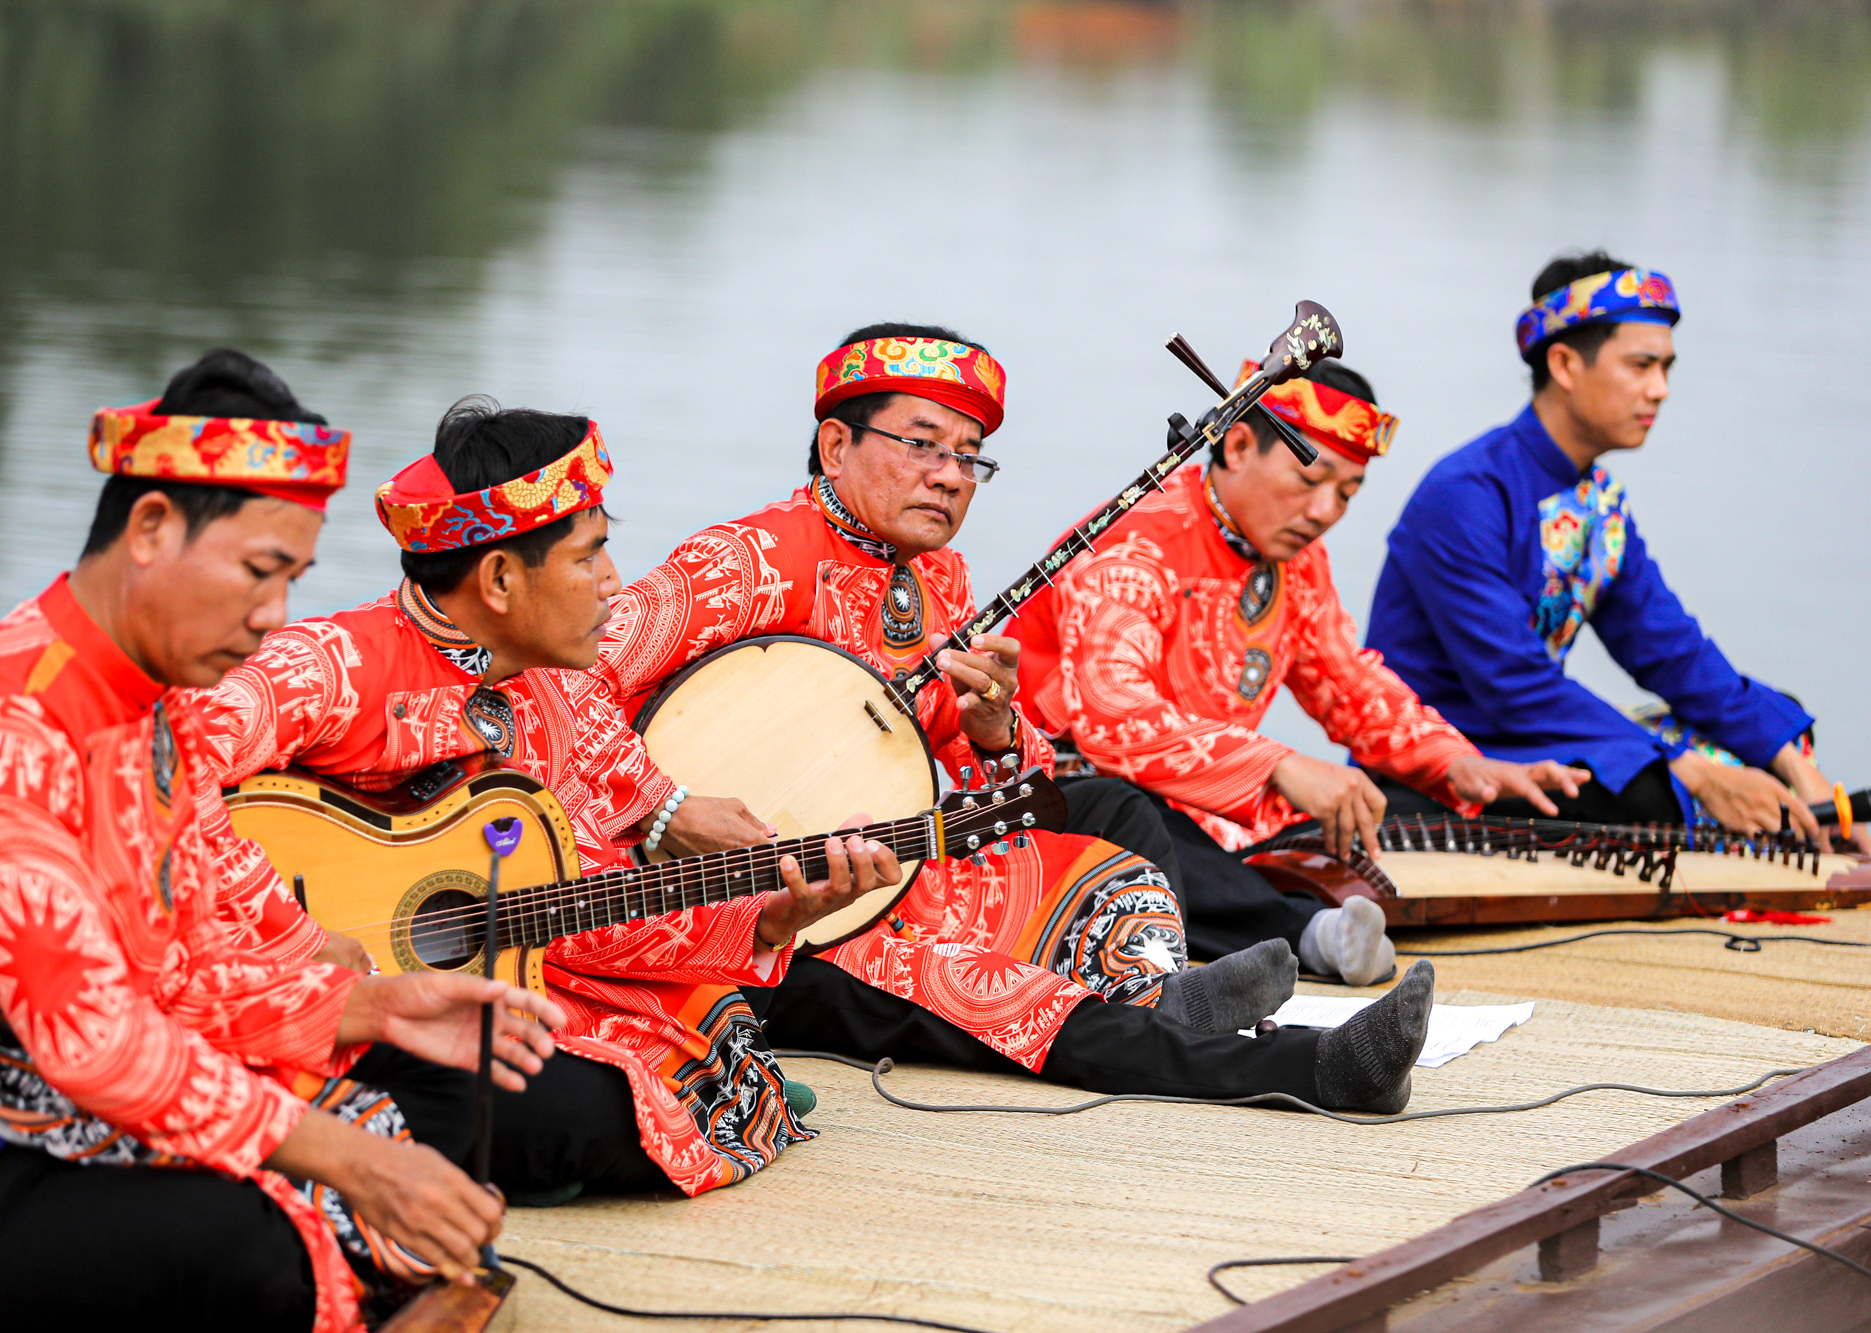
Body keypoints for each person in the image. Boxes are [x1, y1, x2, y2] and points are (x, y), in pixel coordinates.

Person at [0, 351, 565, 1333]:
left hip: (59, 1099)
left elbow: (180, 971)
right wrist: (339, 1154)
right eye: (256, 571)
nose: (271, 617)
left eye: (293, 579)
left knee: (413, 1115)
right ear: (151, 527)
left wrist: (367, 1006)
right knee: (260, 1247)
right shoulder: (1, 729)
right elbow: (93, 1035)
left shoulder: (154, 714)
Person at [595, 323, 1437, 1116]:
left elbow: (994, 782)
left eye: (969, 456)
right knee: (989, 991)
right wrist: (667, 809)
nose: (951, 474)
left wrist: (995, 730)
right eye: (922, 444)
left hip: (901, 871)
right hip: (762, 921)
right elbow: (566, 691)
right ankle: (1306, 1067)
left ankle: (1165, 997)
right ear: (836, 444)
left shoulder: (941, 581)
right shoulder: (750, 559)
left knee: (1114, 882)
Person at [193, 397, 901, 1205]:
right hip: (279, 989)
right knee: (592, 1112)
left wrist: (774, 917)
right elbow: (161, 767)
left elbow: (589, 897)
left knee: (708, 1034)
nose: (612, 582)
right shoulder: (334, 665)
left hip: (489, 970)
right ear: (498, 578)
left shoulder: (557, 686)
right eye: (589, 556)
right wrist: (296, 934)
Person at [1014, 359, 1584, 985]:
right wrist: (1279, 764)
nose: (1323, 510)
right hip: (1062, 786)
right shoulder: (1137, 540)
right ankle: (1303, 932)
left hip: (1211, 798)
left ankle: (1302, 914)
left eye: (1347, 491)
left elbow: (1349, 687)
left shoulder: (1299, 562)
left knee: (1372, 804)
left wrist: (1458, 762)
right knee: (1133, 826)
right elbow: (1111, 711)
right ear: (1236, 445)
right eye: (1309, 478)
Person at [1364, 252, 1840, 844]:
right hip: (1463, 757)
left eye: (1666, 367)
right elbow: (1514, 684)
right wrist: (1685, 769)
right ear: (1563, 363)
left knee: (1772, 731)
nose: (1660, 390)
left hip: (1541, 733)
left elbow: (1672, 651)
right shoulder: (1466, 495)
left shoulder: (1598, 500)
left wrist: (1797, 766)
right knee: (1657, 790)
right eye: (1640, 365)